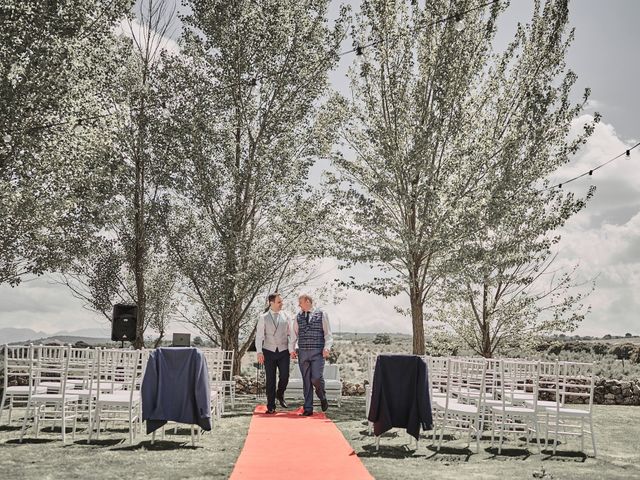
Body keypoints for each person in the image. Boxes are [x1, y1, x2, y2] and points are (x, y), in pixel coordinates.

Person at [290, 293, 333, 416]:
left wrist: (327, 348)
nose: (299, 305)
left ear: (308, 301)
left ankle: (322, 396)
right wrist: (291, 349)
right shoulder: (298, 317)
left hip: (317, 352)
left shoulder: (322, 314)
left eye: (300, 302)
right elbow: (294, 334)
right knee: (306, 381)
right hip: (303, 352)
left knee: (316, 378)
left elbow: (328, 334)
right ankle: (308, 408)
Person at [255, 292, 294, 414]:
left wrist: (292, 349)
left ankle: (280, 393)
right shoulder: (263, 317)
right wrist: (259, 352)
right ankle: (271, 406)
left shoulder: (286, 316)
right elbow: (259, 337)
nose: (281, 304)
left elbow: (291, 334)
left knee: (285, 376)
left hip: (283, 351)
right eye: (279, 302)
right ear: (271, 303)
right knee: (270, 380)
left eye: (281, 301)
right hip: (269, 351)